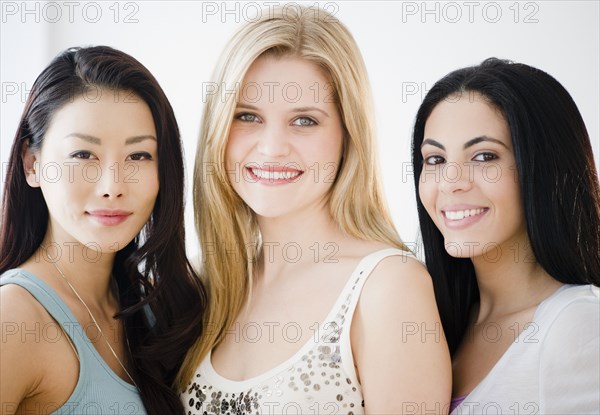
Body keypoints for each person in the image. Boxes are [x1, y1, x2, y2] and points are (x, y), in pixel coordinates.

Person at [177, 5, 451, 414]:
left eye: (304, 120)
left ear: (348, 134)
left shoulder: (387, 288)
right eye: (247, 116)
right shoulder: (203, 281)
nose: (272, 148)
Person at [0, 46, 207, 415]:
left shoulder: (150, 309)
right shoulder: (13, 318)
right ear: (33, 164)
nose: (113, 185)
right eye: (83, 155)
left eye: (138, 155)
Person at [412, 58, 600, 414]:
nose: (452, 181)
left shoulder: (578, 327)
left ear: (543, 169)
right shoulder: (435, 319)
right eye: (435, 159)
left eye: (484, 156)